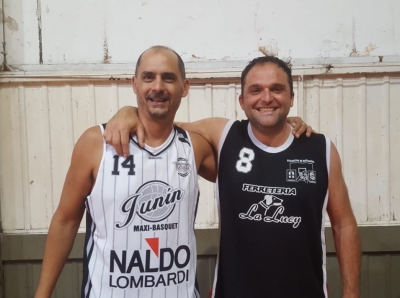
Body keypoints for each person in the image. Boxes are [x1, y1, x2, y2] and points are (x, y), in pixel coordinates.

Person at [104, 56, 361, 297]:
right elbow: (164, 126)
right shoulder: (225, 135)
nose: (266, 97)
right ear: (241, 100)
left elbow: (344, 224)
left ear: (292, 97)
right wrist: (128, 111)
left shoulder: (320, 148)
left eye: (277, 89)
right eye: (256, 90)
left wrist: (351, 293)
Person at [35, 46, 218, 298]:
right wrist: (42, 294)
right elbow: (65, 221)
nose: (157, 86)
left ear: (184, 87)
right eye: (148, 77)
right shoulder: (95, 143)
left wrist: (284, 127)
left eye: (168, 77)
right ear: (134, 84)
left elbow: (248, 172)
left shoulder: (195, 147)